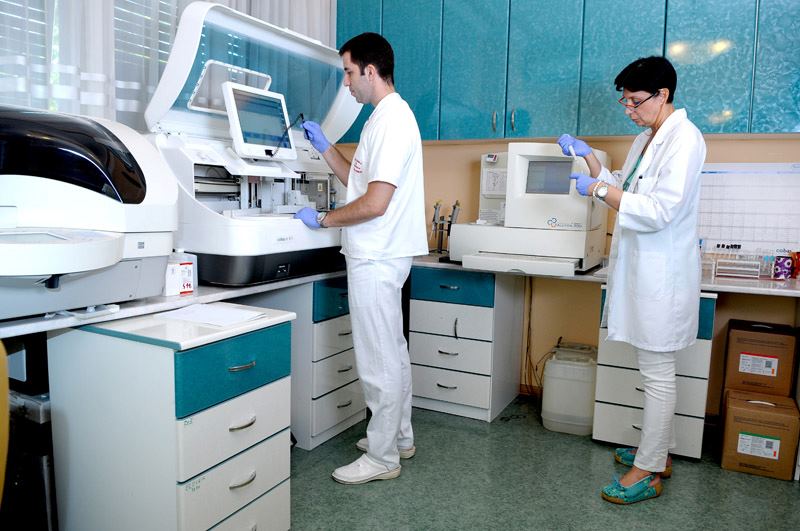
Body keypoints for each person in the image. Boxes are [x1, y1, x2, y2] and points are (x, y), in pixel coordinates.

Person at [557, 56, 706, 504]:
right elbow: (625, 185)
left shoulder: (685, 139)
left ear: (663, 95)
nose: (628, 109)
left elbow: (660, 210)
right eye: (624, 101)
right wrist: (590, 158)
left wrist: (600, 190)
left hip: (663, 277)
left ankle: (650, 469)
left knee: (658, 374)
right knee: (653, 371)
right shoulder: (647, 137)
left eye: (635, 101)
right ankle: (658, 453)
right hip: (642, 270)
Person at [294, 32, 428, 485]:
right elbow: (358, 181)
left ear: (371, 71)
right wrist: (325, 147)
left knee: (378, 360)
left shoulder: (391, 121)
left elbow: (374, 203)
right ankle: (400, 438)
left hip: (376, 254)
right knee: (393, 352)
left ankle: (383, 456)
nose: (346, 83)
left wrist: (324, 220)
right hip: (383, 252)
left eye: (349, 73)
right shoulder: (383, 118)